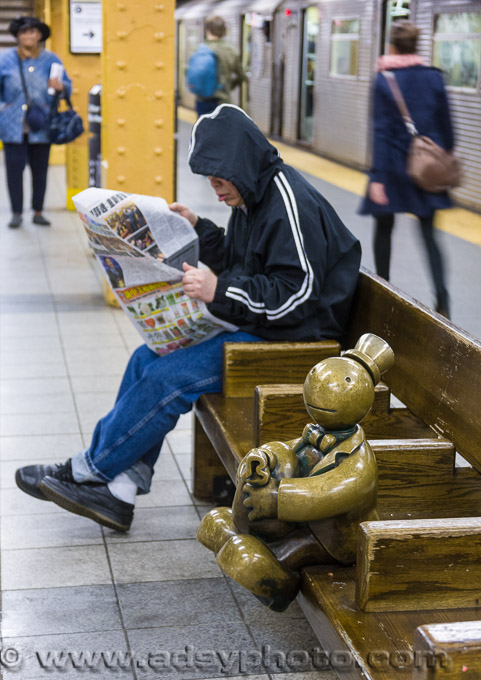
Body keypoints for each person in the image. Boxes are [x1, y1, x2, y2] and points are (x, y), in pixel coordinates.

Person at [15, 104, 361, 532]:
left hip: (294, 343)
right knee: (147, 358)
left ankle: (90, 469)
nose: (216, 192)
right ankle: (120, 491)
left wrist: (220, 291)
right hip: (263, 328)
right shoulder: (255, 194)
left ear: (238, 165)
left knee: (169, 378)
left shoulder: (289, 203)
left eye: (219, 182)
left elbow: (298, 295)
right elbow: (244, 261)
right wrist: (199, 229)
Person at [359, 20, 453, 318]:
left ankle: (385, 290)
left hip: (392, 169)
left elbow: (381, 131)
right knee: (429, 234)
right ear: (417, 46)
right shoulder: (434, 78)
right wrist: (440, 157)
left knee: (383, 229)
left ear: (392, 46)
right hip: (425, 170)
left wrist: (377, 177)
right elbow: (448, 130)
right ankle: (443, 300)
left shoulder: (384, 78)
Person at [0, 16, 72, 229]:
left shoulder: (51, 59)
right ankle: (16, 212)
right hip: (12, 126)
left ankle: (38, 211)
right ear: (18, 36)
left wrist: (61, 88)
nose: (28, 36)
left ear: (40, 35)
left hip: (42, 125)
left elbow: (67, 85)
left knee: (40, 170)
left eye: (32, 32)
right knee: (14, 170)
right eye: (24, 32)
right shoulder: (6, 59)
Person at [194, 16, 245, 117]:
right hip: (223, 100)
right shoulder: (230, 50)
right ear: (223, 31)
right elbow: (241, 76)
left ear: (207, 30)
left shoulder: (200, 49)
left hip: (203, 100)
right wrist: (229, 85)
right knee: (222, 130)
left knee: (203, 130)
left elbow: (191, 72)